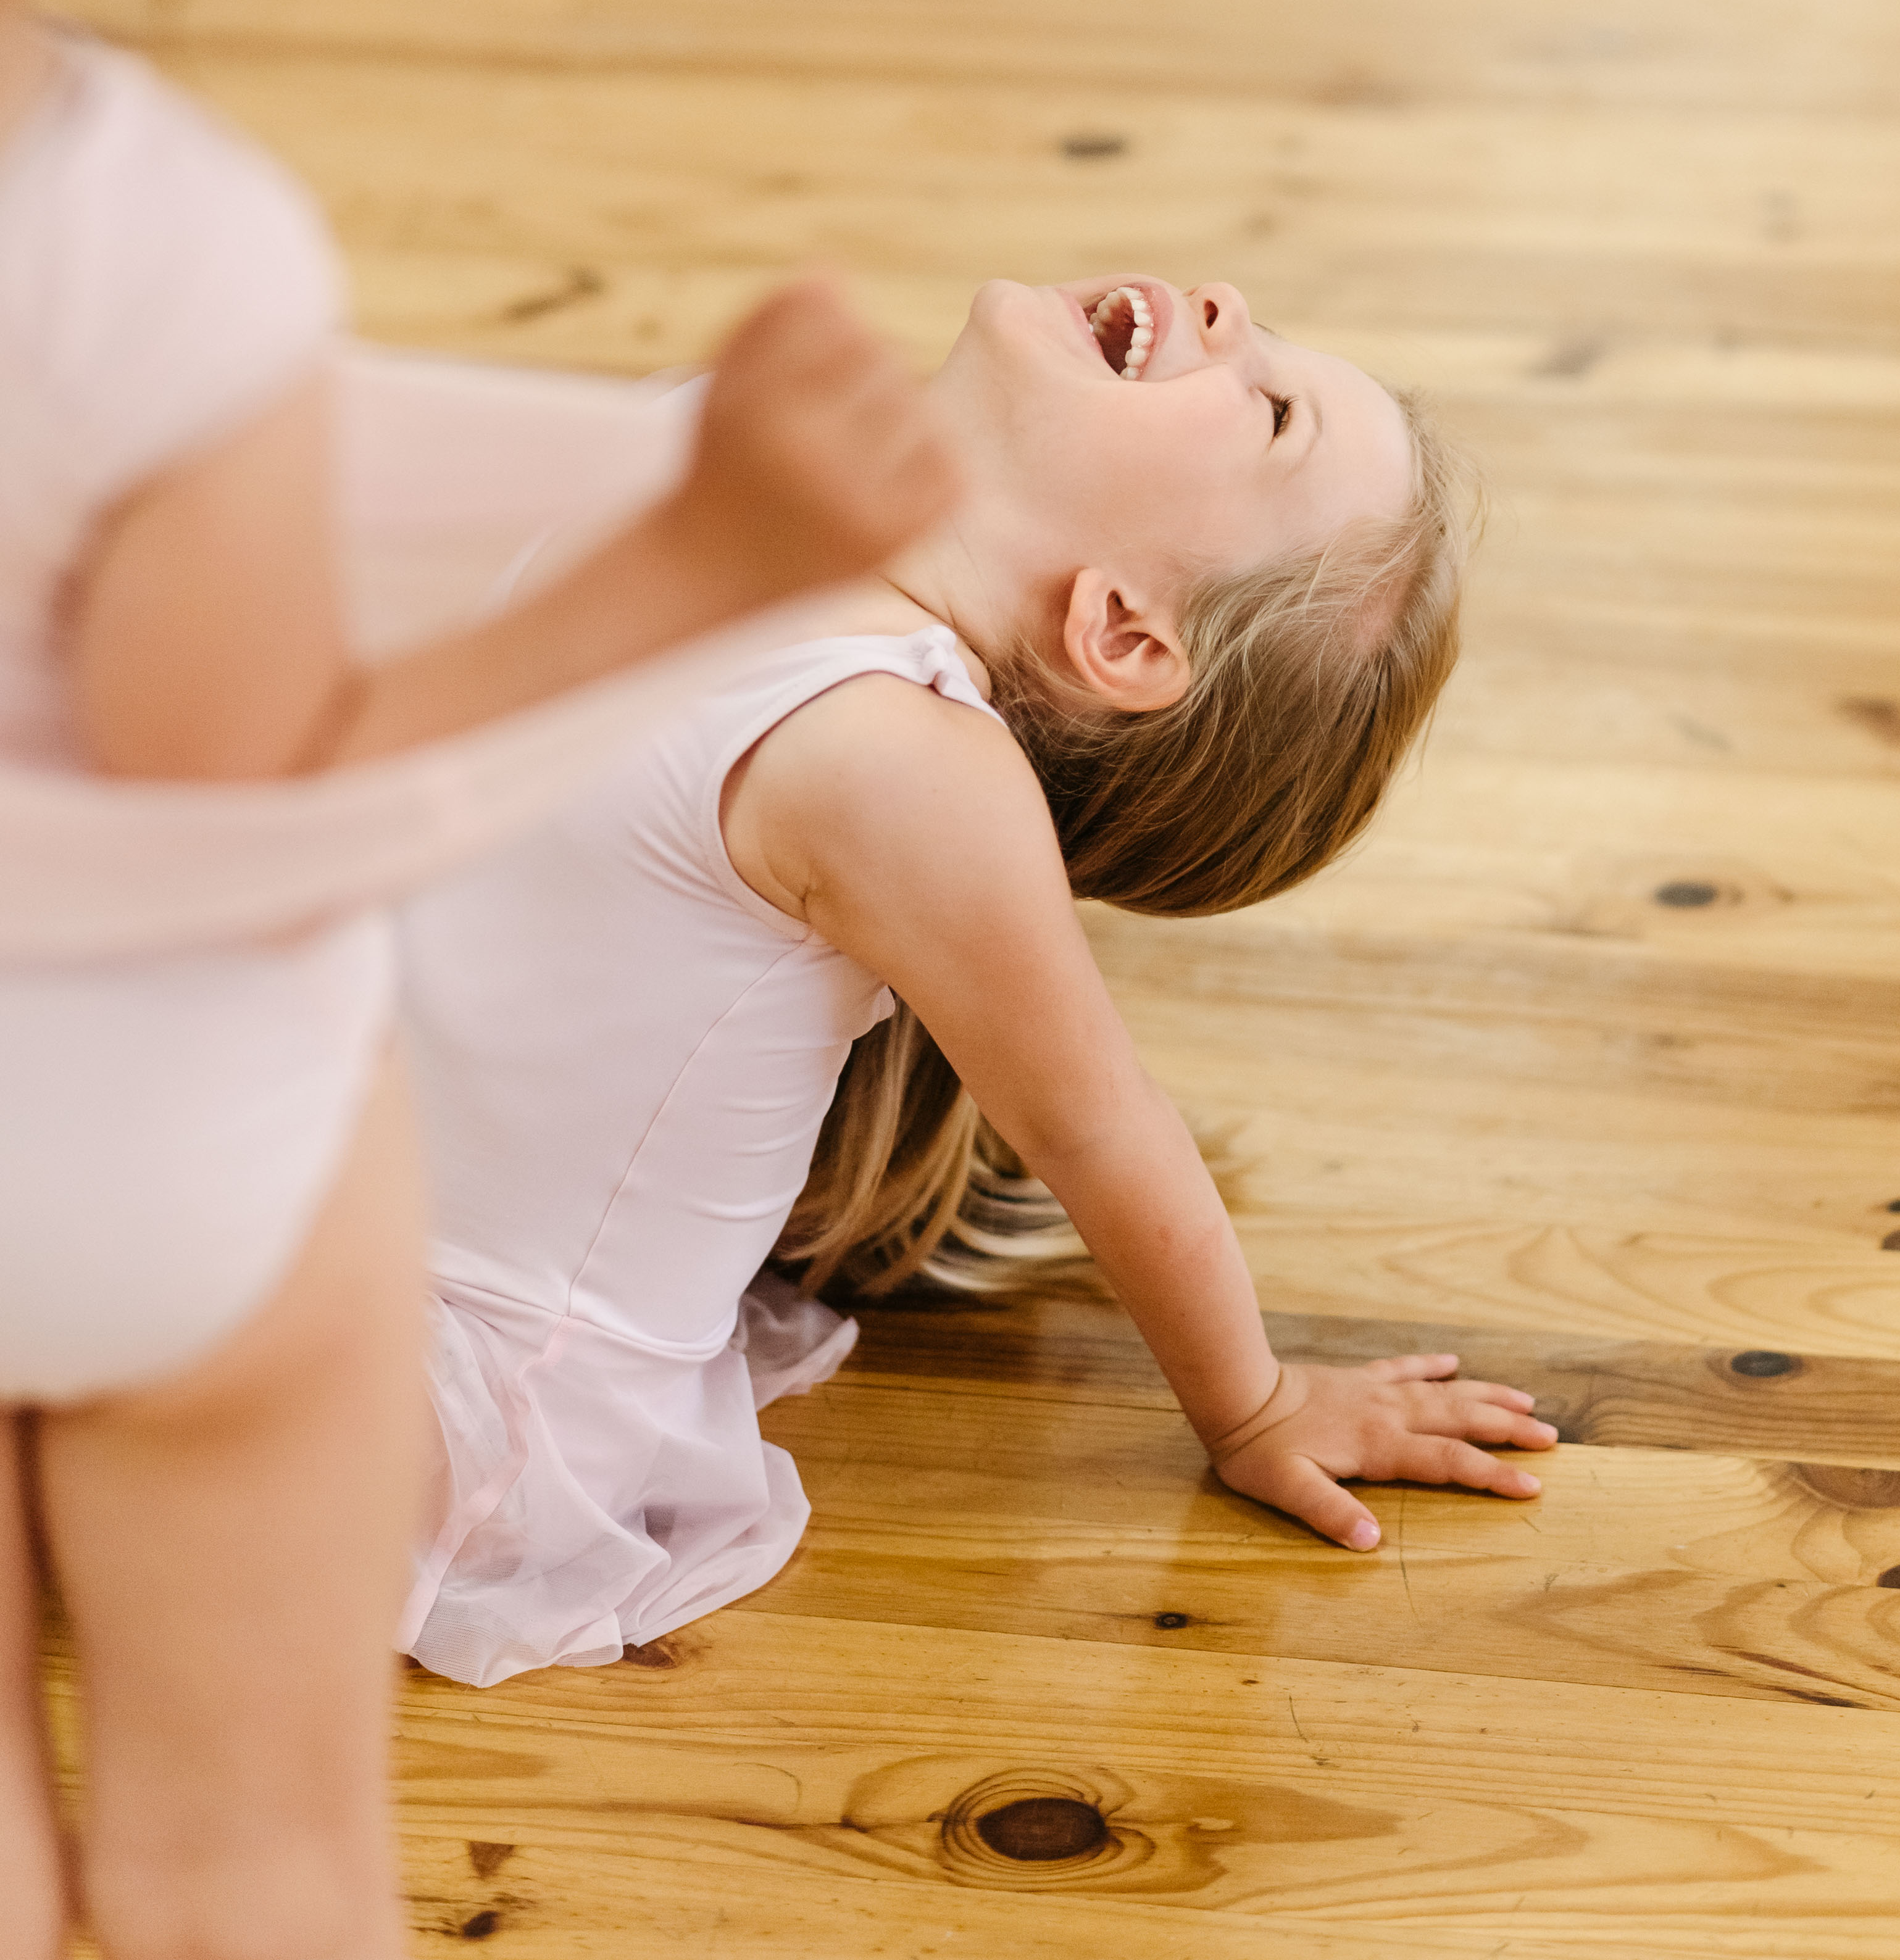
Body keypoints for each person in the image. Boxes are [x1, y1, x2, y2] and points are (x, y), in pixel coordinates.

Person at [0, 0, 954, 1960]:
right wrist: (701, 545)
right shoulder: (154, 256)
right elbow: (242, 768)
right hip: (157, 1157)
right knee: (245, 1848)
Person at [398, 268, 1560, 1688]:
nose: (1226, 301)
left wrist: (1254, 1407)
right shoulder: (740, 451)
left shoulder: (894, 762)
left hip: (446, 1377)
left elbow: (1100, 1127)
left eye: (1265, 410)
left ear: (1124, 629)